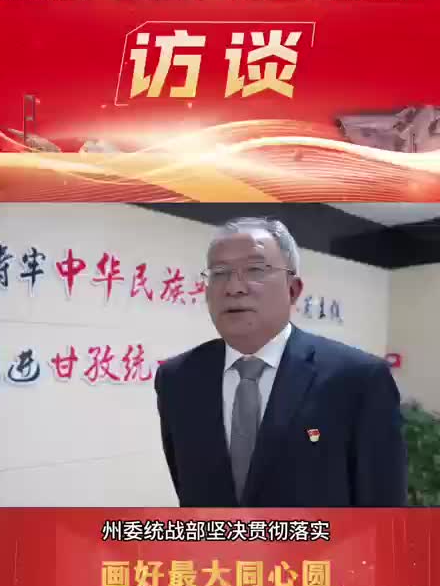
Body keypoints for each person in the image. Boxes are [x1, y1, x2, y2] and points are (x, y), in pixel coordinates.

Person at [154, 217, 407, 507]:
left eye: (255, 270)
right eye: (219, 273)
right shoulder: (177, 378)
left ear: (293, 289)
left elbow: (383, 507)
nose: (233, 287)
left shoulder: (358, 379)